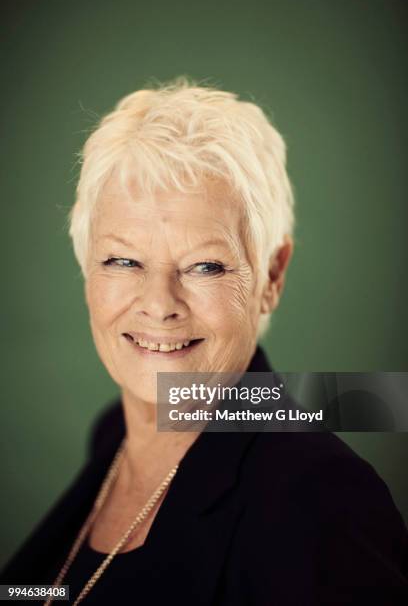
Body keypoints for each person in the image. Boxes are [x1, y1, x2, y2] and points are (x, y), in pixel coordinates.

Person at [1, 78, 407, 605]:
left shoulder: (319, 499)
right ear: (86, 267)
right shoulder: (114, 437)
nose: (158, 303)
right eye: (122, 260)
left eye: (204, 266)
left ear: (272, 277)